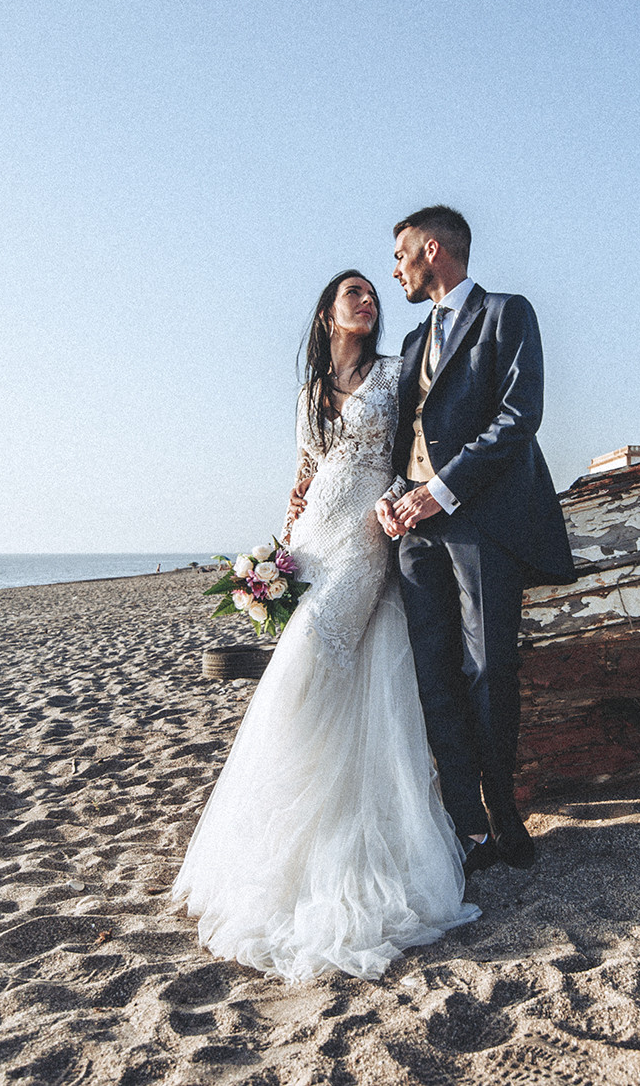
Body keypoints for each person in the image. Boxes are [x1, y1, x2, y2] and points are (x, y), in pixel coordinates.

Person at [172, 271, 478, 982]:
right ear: (327, 314)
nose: (368, 301)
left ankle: (336, 844)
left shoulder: (399, 372)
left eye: (373, 292)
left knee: (312, 658)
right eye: (354, 294)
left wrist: (405, 494)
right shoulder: (311, 394)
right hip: (312, 539)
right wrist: (288, 521)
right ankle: (283, 835)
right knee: (312, 673)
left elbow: (421, 441)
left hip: (367, 538)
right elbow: (307, 464)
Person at [374, 206, 577, 877]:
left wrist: (443, 488)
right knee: (435, 677)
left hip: (484, 521)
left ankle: (504, 811)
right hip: (416, 533)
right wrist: (396, 490)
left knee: (489, 671)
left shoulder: (506, 315)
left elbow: (521, 415)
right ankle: (467, 827)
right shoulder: (409, 345)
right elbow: (403, 437)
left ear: (433, 249)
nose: (395, 268)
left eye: (401, 254)